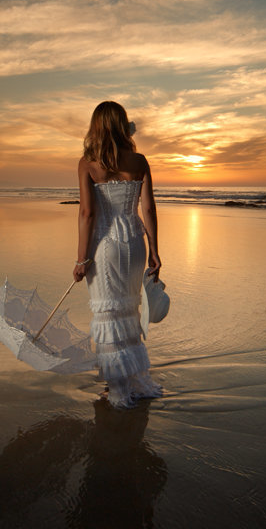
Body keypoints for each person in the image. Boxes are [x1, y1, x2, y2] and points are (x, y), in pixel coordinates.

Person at [73, 101, 163, 409]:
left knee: (108, 314)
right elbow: (148, 208)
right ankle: (136, 382)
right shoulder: (139, 160)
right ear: (123, 125)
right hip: (135, 243)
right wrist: (155, 250)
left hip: (105, 245)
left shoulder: (88, 163)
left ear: (96, 126)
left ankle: (119, 391)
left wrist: (81, 258)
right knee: (128, 312)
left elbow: (87, 213)